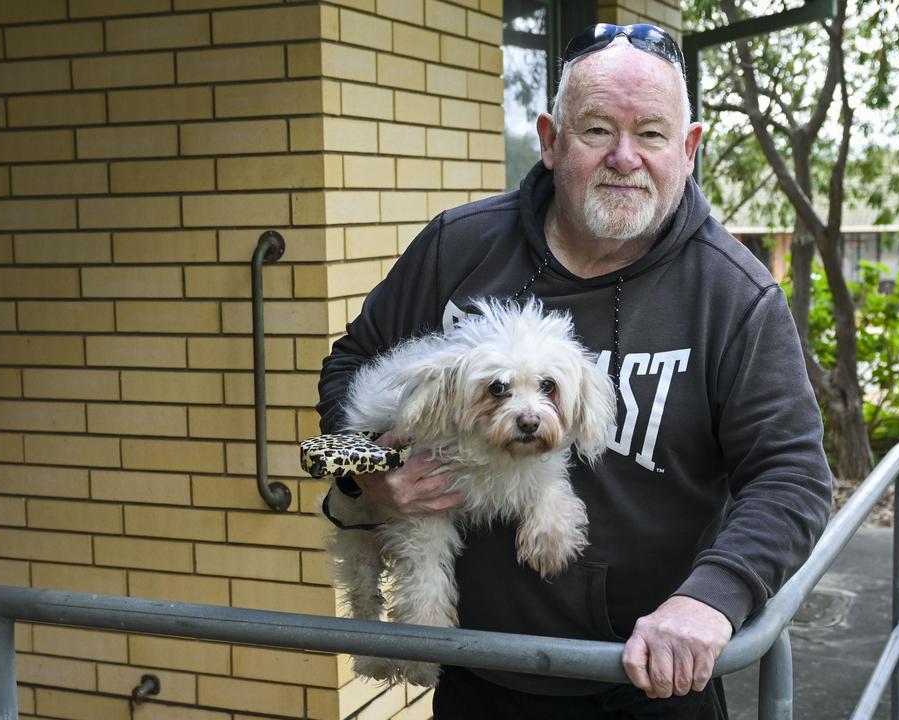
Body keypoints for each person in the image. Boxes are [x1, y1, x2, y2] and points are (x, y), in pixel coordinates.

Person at [316, 23, 832, 720]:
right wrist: (363, 471)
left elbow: (792, 477)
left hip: (651, 683)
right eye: (596, 130)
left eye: (651, 134)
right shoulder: (457, 247)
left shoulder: (735, 297)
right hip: (483, 677)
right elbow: (348, 368)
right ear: (551, 139)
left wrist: (711, 597)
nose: (625, 158)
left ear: (688, 149)